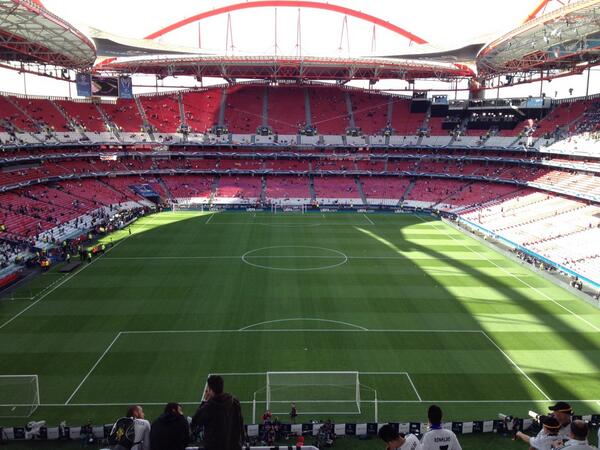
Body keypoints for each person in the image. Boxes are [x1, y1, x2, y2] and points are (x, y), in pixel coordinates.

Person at [191, 375, 244, 450]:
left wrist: (204, 401)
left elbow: (195, 421)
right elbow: (240, 424)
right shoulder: (234, 402)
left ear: (211, 390)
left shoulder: (209, 406)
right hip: (233, 446)